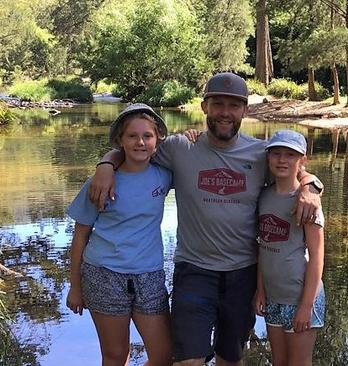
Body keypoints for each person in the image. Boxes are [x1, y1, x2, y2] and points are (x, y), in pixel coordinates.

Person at [88, 72, 323, 366]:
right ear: (204, 107)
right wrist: (106, 164)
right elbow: (136, 147)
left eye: (234, 105)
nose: (225, 112)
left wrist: (311, 187)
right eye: (218, 104)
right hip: (194, 271)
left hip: (243, 273)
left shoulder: (261, 154)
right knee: (188, 360)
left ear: (245, 110)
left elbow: (294, 168)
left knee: (230, 359)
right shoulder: (179, 148)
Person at [66, 103, 173, 366]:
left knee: (164, 356)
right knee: (115, 356)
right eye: (132, 136)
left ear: (157, 139)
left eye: (147, 136)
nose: (140, 142)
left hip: (149, 276)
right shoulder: (99, 183)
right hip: (103, 275)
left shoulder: (165, 175)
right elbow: (80, 237)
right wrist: (75, 287)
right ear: (120, 141)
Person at [254, 130, 326, 366]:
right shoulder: (263, 196)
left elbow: (316, 256)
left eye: (290, 155)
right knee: (279, 361)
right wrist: (260, 290)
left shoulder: (307, 200)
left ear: (302, 160)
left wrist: (306, 306)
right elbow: (263, 247)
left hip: (300, 298)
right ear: (268, 158)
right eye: (276, 154)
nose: (282, 160)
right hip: (273, 296)